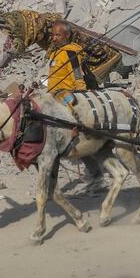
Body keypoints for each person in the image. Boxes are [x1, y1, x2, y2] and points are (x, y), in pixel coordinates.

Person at [45, 20, 105, 191]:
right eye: (53, 35)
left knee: (73, 141)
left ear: (67, 35)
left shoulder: (71, 52)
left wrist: (81, 99)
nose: (54, 38)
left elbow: (77, 76)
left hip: (66, 99)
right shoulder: (57, 53)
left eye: (58, 35)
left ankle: (96, 176)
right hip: (54, 98)